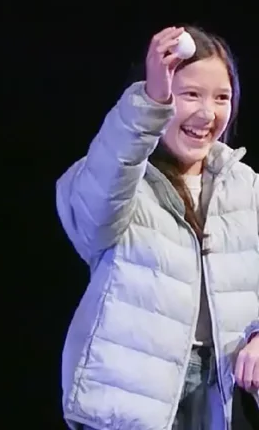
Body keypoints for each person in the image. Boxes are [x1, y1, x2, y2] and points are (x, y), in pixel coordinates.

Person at [56, 26, 259, 430]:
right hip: (132, 402)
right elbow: (91, 217)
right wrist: (149, 103)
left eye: (221, 97)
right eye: (189, 95)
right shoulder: (118, 182)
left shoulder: (248, 186)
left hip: (225, 402)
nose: (207, 113)